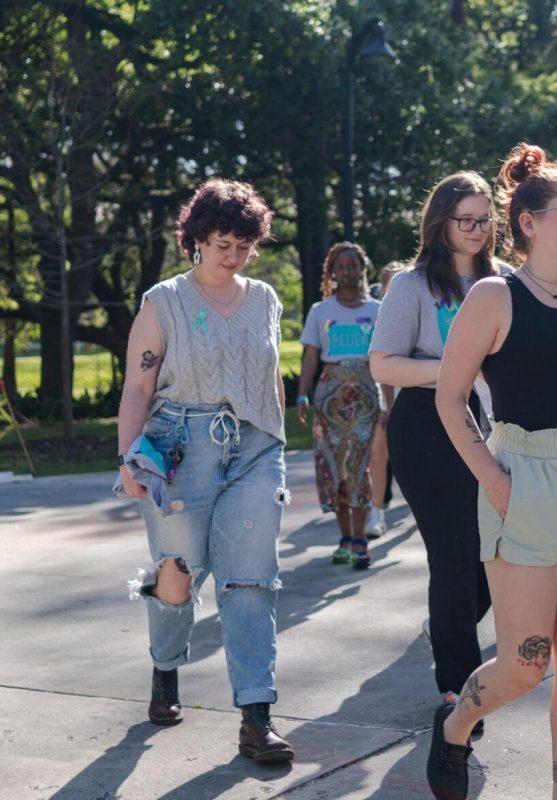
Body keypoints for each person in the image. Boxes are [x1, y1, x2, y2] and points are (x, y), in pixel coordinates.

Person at [428, 143, 557, 800]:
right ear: (528, 222)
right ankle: (457, 723)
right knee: (528, 664)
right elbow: (449, 397)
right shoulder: (494, 296)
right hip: (523, 474)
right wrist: (494, 481)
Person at [116, 178, 293, 762]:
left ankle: (256, 717)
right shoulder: (163, 300)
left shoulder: (266, 299)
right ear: (196, 239)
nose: (234, 256)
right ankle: (166, 670)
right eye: (223, 244)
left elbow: (271, 380)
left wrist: (277, 446)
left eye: (244, 245)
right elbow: (138, 386)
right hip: (178, 446)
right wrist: (129, 460)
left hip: (254, 449)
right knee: (178, 573)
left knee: (250, 579)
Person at [370, 173, 501, 723]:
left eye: (483, 219)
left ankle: (448, 625)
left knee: (492, 557)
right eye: (464, 220)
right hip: (426, 426)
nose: (475, 230)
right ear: (440, 223)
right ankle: (458, 689)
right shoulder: (412, 285)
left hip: (494, 426)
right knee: (452, 556)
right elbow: (384, 363)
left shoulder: (506, 282)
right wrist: (457, 371)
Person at [296, 242, 382, 569]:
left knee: (359, 465)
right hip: (329, 396)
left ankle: (361, 539)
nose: (346, 272)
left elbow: (382, 358)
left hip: (364, 394)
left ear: (363, 268)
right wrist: (302, 395)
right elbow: (311, 356)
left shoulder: (376, 310)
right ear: (331, 272)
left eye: (352, 265)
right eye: (340, 267)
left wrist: (387, 402)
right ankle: (344, 538)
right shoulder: (321, 311)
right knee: (334, 467)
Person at [364, 262, 406, 538]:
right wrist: (389, 405)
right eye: (388, 286)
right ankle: (376, 511)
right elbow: (384, 368)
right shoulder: (384, 318)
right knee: (379, 451)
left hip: (426, 395)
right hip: (391, 396)